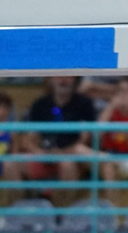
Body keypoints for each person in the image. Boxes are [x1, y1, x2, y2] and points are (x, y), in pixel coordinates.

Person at [20, 77, 98, 207]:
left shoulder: (84, 104)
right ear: (50, 80)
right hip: (44, 155)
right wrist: (38, 152)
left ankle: (63, 216)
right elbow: (28, 139)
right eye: (58, 77)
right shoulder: (40, 104)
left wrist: (62, 153)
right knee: (12, 163)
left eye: (67, 76)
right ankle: (12, 214)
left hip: (71, 155)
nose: (63, 81)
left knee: (67, 164)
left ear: (74, 80)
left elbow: (85, 141)